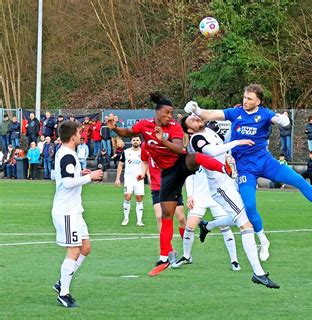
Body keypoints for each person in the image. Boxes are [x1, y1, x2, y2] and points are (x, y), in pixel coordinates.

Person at [184, 84, 312, 260]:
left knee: (298, 180)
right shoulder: (235, 113)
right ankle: (263, 240)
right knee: (250, 206)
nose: (245, 101)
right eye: (244, 97)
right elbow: (209, 115)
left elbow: (279, 120)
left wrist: (285, 121)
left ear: (258, 101)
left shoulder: (265, 114)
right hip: (245, 168)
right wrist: (197, 109)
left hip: (266, 162)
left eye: (249, 99)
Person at [107, 92, 234, 277]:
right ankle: (165, 257)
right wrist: (114, 128)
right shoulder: (145, 125)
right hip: (167, 175)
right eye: (167, 112)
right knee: (167, 215)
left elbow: (179, 148)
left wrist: (162, 140)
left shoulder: (174, 127)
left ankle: (225, 168)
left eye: (172, 113)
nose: (170, 116)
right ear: (158, 112)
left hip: (179, 164)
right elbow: (127, 132)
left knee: (192, 156)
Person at [179, 114, 279, 288]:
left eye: (196, 117)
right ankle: (258, 273)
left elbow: (224, 147)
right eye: (192, 120)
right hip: (220, 187)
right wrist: (236, 143)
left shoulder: (210, 131)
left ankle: (207, 226)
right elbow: (211, 151)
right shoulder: (196, 139)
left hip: (229, 183)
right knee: (246, 225)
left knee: (242, 217)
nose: (197, 119)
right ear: (189, 130)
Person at [51, 121, 103, 307]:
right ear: (72, 136)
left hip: (74, 211)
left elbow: (66, 177)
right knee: (73, 250)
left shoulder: (68, 154)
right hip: (66, 212)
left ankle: (61, 282)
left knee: (85, 248)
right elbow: (66, 182)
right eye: (80, 133)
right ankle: (63, 293)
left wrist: (81, 173)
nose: (82, 136)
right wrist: (91, 177)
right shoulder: (67, 155)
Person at [171, 167, 241, 271]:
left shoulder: (218, 155)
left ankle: (234, 261)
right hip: (198, 196)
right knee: (190, 226)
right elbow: (190, 177)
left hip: (217, 195)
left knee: (225, 227)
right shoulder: (195, 156)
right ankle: (186, 256)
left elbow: (228, 175)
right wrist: (190, 195)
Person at [139, 142, 187, 271]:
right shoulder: (146, 145)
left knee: (181, 218)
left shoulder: (171, 144)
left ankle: (187, 250)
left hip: (172, 186)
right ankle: (168, 252)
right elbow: (144, 161)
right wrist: (142, 173)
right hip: (157, 187)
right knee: (160, 217)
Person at [115, 136, 145, 227]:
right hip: (128, 178)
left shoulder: (143, 152)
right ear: (131, 141)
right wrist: (117, 178)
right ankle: (126, 218)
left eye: (137, 140)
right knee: (127, 197)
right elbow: (120, 165)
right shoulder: (126, 152)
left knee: (139, 198)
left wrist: (150, 178)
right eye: (134, 140)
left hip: (139, 179)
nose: (135, 141)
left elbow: (146, 165)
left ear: (140, 142)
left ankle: (139, 220)